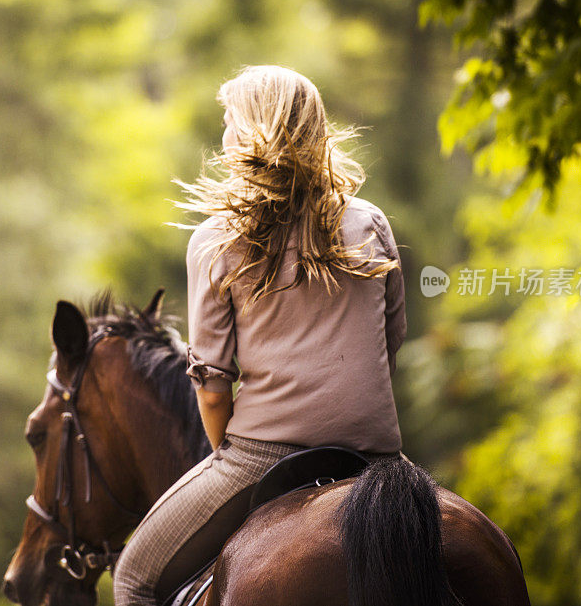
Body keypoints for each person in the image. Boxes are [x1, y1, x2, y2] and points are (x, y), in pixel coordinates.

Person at [112, 64, 407, 606]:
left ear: (251, 131)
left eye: (228, 122)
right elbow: (391, 337)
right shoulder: (369, 221)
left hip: (265, 453)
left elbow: (212, 385)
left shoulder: (216, 240)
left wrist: (229, 455)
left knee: (133, 577)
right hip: (378, 452)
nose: (223, 138)